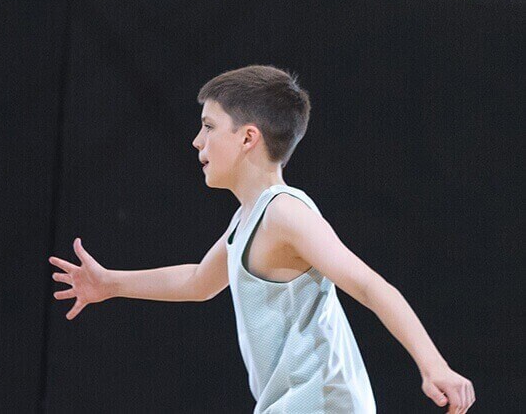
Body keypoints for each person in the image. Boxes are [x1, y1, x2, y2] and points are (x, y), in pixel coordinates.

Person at [49, 65, 475, 413]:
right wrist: (111, 284)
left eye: (209, 126)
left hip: (324, 406)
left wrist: (433, 365)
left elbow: (370, 285)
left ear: (248, 137)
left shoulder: (286, 212)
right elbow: (199, 281)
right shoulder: (248, 218)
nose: (197, 140)